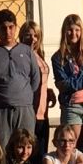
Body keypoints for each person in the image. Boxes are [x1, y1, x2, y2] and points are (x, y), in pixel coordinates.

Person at [0, 9, 39, 153]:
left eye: (11, 27)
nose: (8, 32)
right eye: (3, 28)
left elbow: (35, 78)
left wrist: (23, 95)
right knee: (1, 150)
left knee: (26, 149)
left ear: (15, 27)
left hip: (24, 109)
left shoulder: (26, 51)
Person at [19, 19, 54, 150]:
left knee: (42, 150)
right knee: (30, 150)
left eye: (36, 35)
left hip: (43, 112)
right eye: (28, 35)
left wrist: (48, 91)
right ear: (22, 36)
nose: (32, 39)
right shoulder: (21, 56)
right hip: (30, 111)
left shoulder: (39, 54)